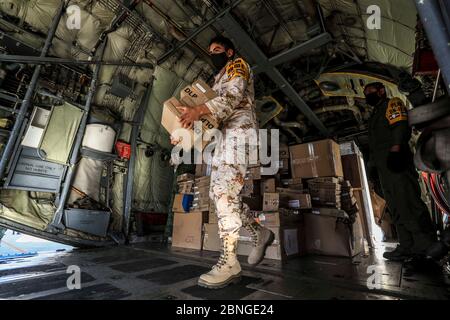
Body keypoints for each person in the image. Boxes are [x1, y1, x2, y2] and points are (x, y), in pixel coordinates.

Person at [173, 36, 274, 289]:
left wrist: (198, 111)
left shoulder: (237, 65)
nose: (213, 54)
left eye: (218, 50)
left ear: (229, 52)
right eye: (210, 51)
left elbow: (233, 96)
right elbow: (208, 120)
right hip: (222, 137)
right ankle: (259, 232)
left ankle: (230, 262)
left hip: (239, 133)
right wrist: (184, 135)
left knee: (222, 192)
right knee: (222, 196)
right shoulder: (214, 81)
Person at [364, 82, 436, 261]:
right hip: (384, 167)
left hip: (396, 161)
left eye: (370, 92)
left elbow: (400, 126)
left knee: (408, 201)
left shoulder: (392, 103)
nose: (367, 97)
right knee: (395, 205)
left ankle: (425, 245)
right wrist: (372, 166)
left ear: (381, 91)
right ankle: (406, 245)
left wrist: (396, 149)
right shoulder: (374, 115)